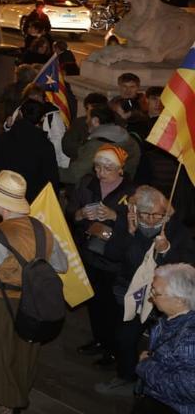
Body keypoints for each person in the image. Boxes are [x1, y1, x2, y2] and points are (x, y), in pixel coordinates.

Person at [0, 170, 68, 414]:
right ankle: (17, 402)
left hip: (3, 307)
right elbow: (61, 265)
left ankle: (5, 408)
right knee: (23, 359)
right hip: (35, 305)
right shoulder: (43, 229)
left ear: (2, 204)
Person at [98, 186, 195, 398]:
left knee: (162, 340)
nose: (151, 220)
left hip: (166, 297)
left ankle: (154, 377)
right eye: (145, 214)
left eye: (157, 214)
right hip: (133, 293)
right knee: (124, 337)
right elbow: (113, 254)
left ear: (166, 211)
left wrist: (166, 250)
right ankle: (126, 375)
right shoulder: (127, 224)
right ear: (135, 211)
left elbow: (188, 267)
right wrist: (131, 234)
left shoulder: (177, 230)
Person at [68, 146, 135, 366]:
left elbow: (138, 226)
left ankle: (113, 350)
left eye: (107, 168)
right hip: (89, 253)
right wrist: (80, 214)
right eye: (98, 167)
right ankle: (99, 340)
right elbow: (71, 211)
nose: (101, 173)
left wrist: (115, 215)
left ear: (120, 170)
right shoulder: (87, 183)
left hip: (114, 260)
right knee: (94, 302)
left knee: (112, 308)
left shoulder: (131, 192)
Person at [133, 263, 195, 413]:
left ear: (179, 300)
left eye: (156, 293)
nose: (151, 296)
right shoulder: (171, 318)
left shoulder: (190, 338)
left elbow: (189, 388)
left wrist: (145, 366)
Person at [0, 98, 59, 201]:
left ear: (20, 113)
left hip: (4, 195)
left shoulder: (5, 138)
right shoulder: (45, 146)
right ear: (42, 119)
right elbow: (51, 179)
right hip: (30, 201)